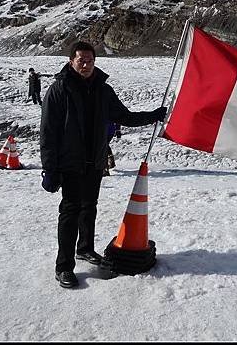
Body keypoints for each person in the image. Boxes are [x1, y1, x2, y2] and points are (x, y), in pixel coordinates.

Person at [39, 41, 167, 289]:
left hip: (94, 164)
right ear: (71, 61)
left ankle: (85, 249)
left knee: (90, 208)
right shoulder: (59, 90)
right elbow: (48, 133)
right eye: (81, 60)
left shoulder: (103, 90)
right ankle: (63, 266)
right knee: (70, 213)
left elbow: (125, 117)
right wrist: (50, 169)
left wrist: (153, 115)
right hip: (70, 165)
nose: (86, 65)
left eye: (90, 60)